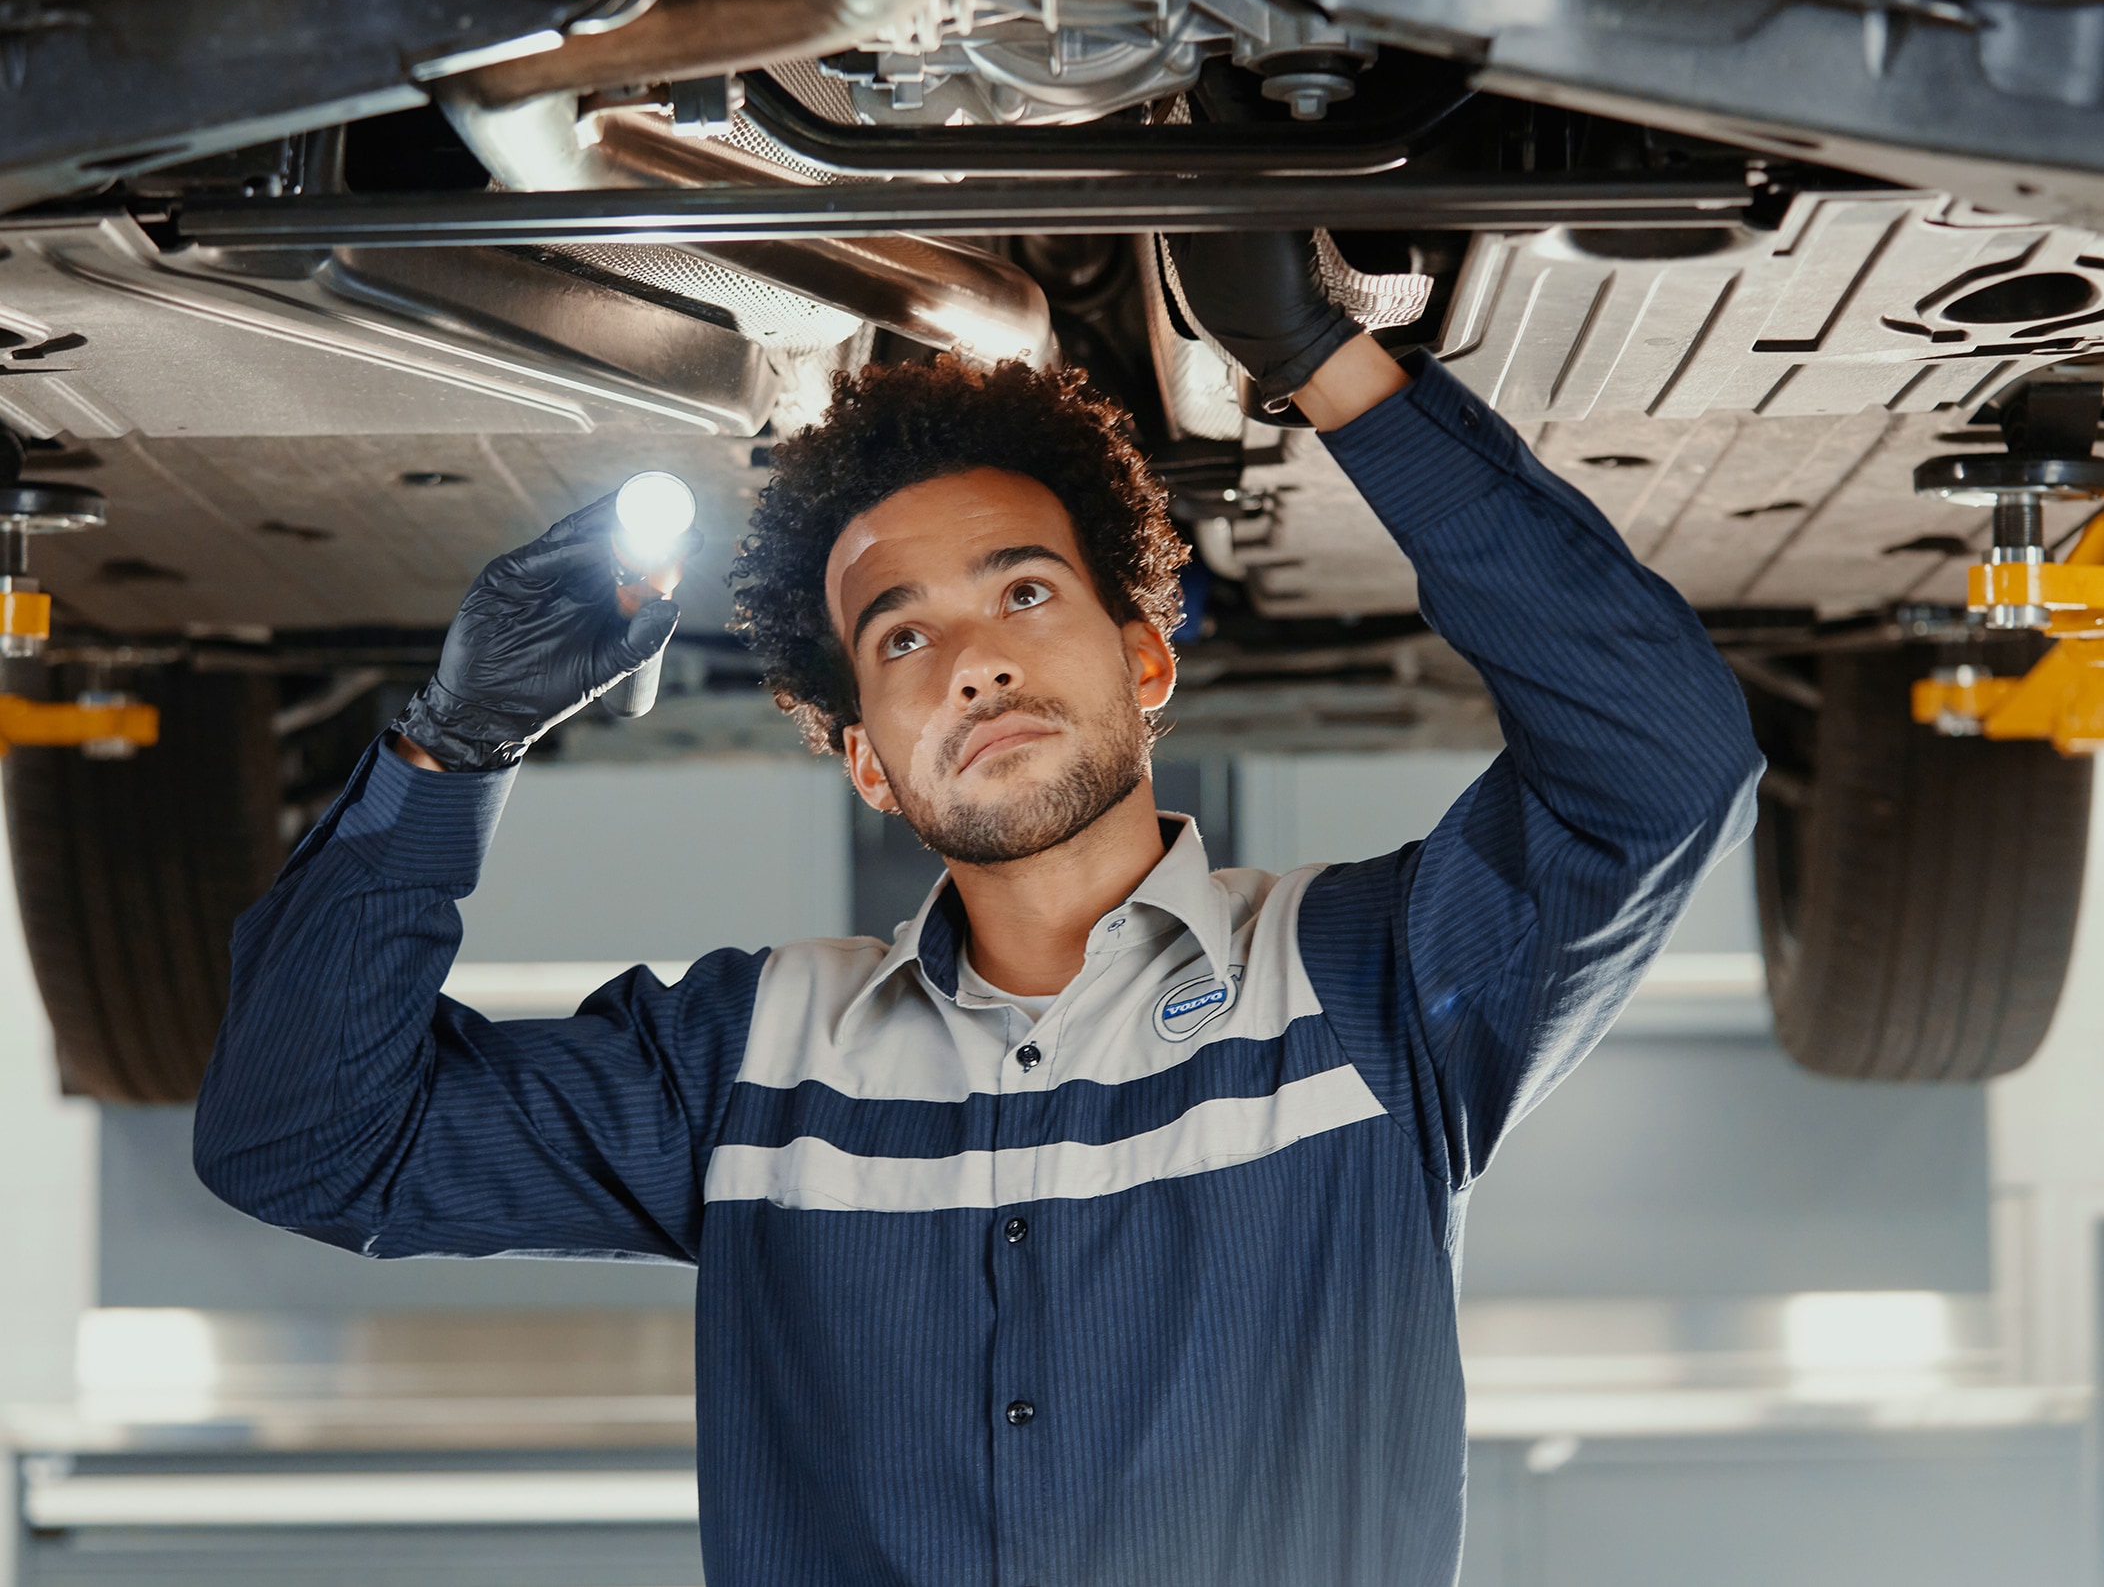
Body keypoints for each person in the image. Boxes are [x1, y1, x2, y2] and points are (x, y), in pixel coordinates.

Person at [194, 232, 1762, 1586]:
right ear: (869, 765)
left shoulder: (1365, 992)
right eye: (901, 637)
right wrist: (449, 747)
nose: (973, 660)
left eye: (1023, 592)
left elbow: (1660, 762)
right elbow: (309, 1139)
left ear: (1145, 664)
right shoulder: (751, 1068)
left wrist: (1320, 358)